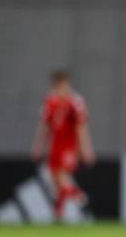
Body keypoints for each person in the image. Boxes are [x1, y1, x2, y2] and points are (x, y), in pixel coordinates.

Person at [31, 70, 95, 220]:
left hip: (69, 146)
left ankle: (77, 195)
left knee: (60, 177)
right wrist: (38, 146)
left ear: (67, 84)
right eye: (57, 86)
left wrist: (86, 149)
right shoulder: (50, 101)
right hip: (55, 145)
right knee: (55, 180)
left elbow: (81, 127)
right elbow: (44, 126)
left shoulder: (75, 102)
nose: (60, 89)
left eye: (63, 85)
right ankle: (59, 213)